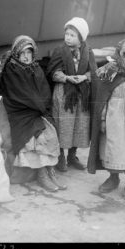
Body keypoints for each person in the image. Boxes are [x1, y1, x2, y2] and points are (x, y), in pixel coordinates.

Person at [0, 35, 67, 192]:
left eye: (29, 52)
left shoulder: (36, 68)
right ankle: (42, 174)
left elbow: (44, 91)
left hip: (36, 110)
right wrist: (38, 106)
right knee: (37, 136)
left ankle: (50, 172)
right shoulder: (11, 69)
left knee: (51, 131)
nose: (26, 56)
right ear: (16, 53)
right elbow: (19, 94)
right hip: (20, 112)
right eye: (22, 52)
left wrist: (42, 107)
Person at [88, 39, 125, 200]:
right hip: (114, 121)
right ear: (121, 57)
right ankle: (113, 178)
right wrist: (101, 120)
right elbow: (103, 100)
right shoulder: (110, 75)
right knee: (113, 148)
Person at [46, 17, 97, 172]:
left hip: (81, 95)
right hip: (63, 95)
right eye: (67, 34)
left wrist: (84, 77)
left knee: (79, 126)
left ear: (80, 37)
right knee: (63, 125)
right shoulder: (59, 51)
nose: (68, 38)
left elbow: (94, 71)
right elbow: (52, 72)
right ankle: (60, 156)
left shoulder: (88, 52)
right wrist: (67, 77)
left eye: (72, 35)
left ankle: (72, 156)